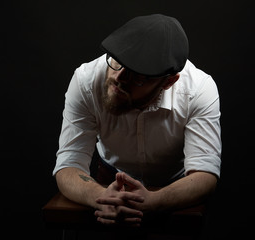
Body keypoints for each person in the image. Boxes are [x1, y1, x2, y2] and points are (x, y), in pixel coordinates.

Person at [53, 14, 221, 226]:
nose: (118, 78)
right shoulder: (86, 80)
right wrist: (102, 197)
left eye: (137, 75)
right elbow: (68, 165)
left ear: (169, 81)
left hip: (175, 186)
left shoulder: (199, 89)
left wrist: (156, 201)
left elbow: (205, 175)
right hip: (109, 181)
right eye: (117, 61)